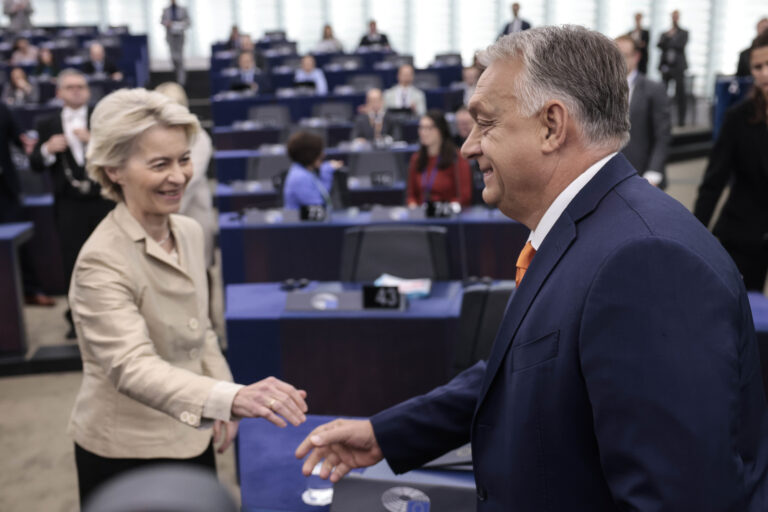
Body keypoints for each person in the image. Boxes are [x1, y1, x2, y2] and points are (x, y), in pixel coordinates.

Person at [295, 26, 768, 511]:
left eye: (486, 123)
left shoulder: (647, 263)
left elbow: (677, 499)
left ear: (552, 126)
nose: (468, 146)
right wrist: (387, 433)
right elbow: (529, 365)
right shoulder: (591, 229)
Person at [69, 88, 309, 506]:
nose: (179, 176)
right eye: (160, 164)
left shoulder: (190, 232)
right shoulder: (99, 262)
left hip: (192, 435)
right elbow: (132, 367)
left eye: (184, 159)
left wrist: (221, 393)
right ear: (113, 170)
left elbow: (203, 332)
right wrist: (230, 398)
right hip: (128, 452)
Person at [29, 69, 114, 338]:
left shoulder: (102, 121)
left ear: (88, 91)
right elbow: (34, 164)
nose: (76, 90)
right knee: (74, 260)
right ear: (59, 93)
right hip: (68, 204)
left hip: (103, 201)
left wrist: (95, 141)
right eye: (70, 87)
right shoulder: (47, 123)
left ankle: (113, 315)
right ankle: (76, 318)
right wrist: (46, 149)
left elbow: (119, 155)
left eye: (81, 86)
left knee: (110, 258)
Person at [694, 30, 768, 291]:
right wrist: (694, 235)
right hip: (743, 235)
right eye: (758, 67)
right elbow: (714, 181)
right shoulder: (738, 118)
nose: (764, 73)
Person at [155, 81, 216, 269]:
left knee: (197, 269)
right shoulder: (153, 136)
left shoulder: (198, 136)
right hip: (162, 218)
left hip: (191, 214)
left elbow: (187, 180)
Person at [0, 101, 55, 306]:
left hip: (5, 189)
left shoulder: (3, 108)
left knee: (20, 244)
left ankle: (30, 290)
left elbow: (18, 136)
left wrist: (27, 143)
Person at [616, 35, 670, 189]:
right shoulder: (602, 90)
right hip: (611, 177)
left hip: (643, 176)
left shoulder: (654, 89)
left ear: (636, 57)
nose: (618, 61)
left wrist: (653, 173)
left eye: (624, 56)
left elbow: (663, 135)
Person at [406, 110, 471, 207]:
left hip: (447, 216)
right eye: (421, 128)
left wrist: (445, 209)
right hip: (421, 215)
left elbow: (465, 196)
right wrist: (413, 206)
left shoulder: (456, 158)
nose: (423, 132)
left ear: (440, 130)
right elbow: (411, 195)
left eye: (429, 128)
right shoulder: (416, 159)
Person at [283, 131, 342, 210]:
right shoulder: (300, 177)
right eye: (319, 152)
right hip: (301, 221)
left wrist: (327, 170)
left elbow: (321, 195)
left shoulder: (306, 171)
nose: (323, 155)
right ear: (309, 154)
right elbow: (318, 211)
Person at [657, 10, 689, 126]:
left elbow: (680, 45)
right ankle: (661, 119)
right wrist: (670, 38)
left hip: (679, 68)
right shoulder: (665, 33)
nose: (674, 18)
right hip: (666, 67)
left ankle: (681, 121)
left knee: (680, 94)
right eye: (673, 16)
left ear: (678, 17)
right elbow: (659, 45)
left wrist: (669, 38)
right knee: (662, 94)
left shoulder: (684, 32)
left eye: (676, 16)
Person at [161, 0, 190, 85]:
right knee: (174, 58)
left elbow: (188, 22)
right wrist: (168, 23)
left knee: (179, 59)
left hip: (180, 36)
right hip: (170, 36)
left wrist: (180, 24)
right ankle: (178, 77)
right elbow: (161, 21)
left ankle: (181, 82)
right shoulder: (165, 10)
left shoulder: (183, 9)